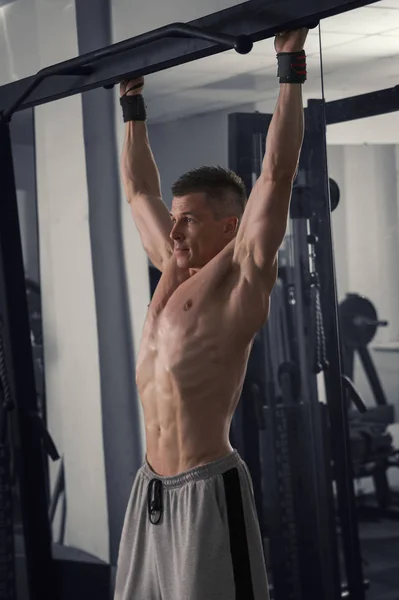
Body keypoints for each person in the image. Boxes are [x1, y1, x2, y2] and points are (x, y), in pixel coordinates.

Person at [114, 27, 309, 600]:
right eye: (174, 219)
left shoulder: (241, 277)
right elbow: (137, 191)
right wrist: (132, 102)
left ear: (230, 226)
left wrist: (289, 64)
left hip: (205, 490)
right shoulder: (169, 265)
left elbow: (277, 174)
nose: (173, 230)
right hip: (149, 489)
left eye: (189, 220)